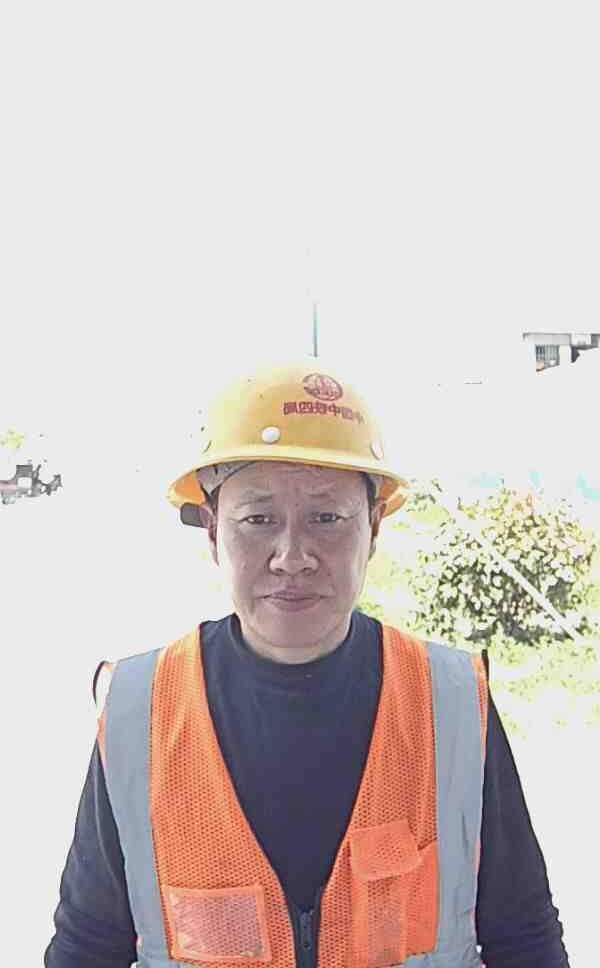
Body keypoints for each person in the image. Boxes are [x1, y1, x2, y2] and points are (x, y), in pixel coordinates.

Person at [45, 358, 570, 967]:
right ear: (212, 532)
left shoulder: (449, 703)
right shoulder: (141, 711)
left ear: (373, 527)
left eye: (327, 518)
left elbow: (523, 933)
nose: (292, 557)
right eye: (258, 519)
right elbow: (89, 943)